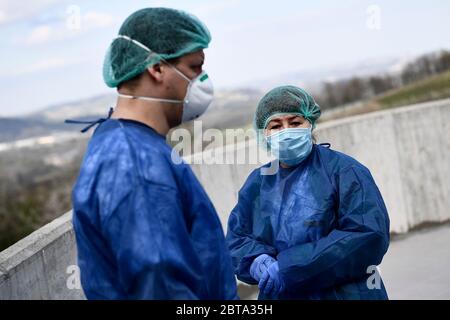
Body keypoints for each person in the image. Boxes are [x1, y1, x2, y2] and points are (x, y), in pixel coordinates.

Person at [67, 7, 237, 300]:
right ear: (156, 68)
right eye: (195, 67)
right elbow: (161, 286)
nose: (203, 80)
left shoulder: (126, 144)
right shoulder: (136, 164)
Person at [226, 85, 390, 300]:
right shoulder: (258, 183)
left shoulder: (344, 171)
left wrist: (289, 267)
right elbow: (237, 239)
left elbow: (369, 236)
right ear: (263, 134)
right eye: (275, 126)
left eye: (295, 123)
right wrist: (256, 260)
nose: (286, 131)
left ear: (310, 124)